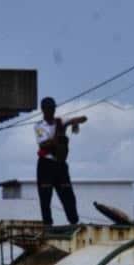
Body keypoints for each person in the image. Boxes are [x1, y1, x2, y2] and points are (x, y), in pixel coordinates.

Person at [34, 96, 87, 226]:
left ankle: (73, 221)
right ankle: (47, 224)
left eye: (53, 108)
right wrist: (59, 135)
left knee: (67, 193)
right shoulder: (39, 126)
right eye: (48, 109)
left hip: (60, 164)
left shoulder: (61, 121)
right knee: (45, 195)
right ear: (43, 110)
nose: (51, 111)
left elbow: (83, 118)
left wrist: (73, 123)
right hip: (46, 164)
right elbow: (43, 145)